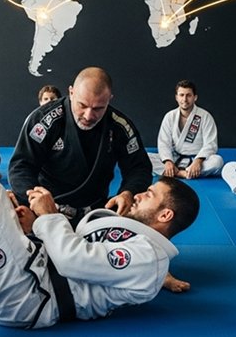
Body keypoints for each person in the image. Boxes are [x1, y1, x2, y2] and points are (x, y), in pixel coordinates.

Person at [0, 176, 199, 328]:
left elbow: (71, 261)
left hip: (31, 299)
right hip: (36, 272)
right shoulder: (138, 238)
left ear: (165, 215)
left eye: (148, 195)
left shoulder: (148, 258)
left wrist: (49, 217)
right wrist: (32, 228)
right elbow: (77, 246)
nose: (137, 194)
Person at [9, 66, 151, 223]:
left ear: (109, 99)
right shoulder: (44, 120)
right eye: (82, 105)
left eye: (98, 108)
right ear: (71, 92)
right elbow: (21, 167)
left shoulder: (120, 126)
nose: (89, 115)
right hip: (49, 207)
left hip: (95, 210)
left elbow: (139, 168)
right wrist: (35, 199)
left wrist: (128, 192)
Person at [149, 80, 224, 179]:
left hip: (196, 159)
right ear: (176, 97)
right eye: (181, 95)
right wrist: (168, 161)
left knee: (217, 161)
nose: (184, 99)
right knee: (144, 157)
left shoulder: (205, 116)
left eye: (188, 95)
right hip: (175, 158)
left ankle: (177, 172)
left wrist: (198, 161)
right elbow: (163, 143)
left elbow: (210, 144)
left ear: (195, 97)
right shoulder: (170, 116)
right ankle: (182, 173)